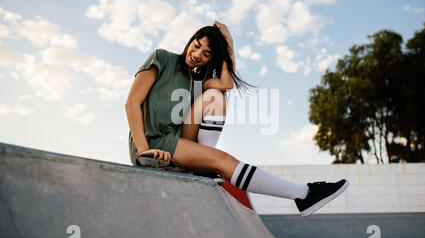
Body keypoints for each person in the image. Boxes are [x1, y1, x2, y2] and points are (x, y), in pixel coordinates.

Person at [125, 20, 349, 216]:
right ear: (191, 40)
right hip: (152, 143)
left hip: (176, 139)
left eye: (206, 54)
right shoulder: (161, 58)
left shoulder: (197, 82)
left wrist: (229, 42)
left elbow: (226, 83)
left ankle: (204, 166)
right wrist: (145, 151)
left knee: (216, 96)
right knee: (223, 160)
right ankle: (304, 193)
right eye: (197, 45)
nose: (197, 54)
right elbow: (132, 103)